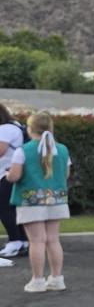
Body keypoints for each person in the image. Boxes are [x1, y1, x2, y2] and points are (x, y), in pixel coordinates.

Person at [7, 113, 70, 292]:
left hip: (30, 201)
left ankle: (38, 280)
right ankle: (57, 278)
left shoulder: (23, 150)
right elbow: (65, 174)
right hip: (57, 199)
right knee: (53, 239)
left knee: (36, 241)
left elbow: (15, 176)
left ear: (30, 128)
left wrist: (8, 174)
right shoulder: (63, 149)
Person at [0, 102, 26, 264]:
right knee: (13, 209)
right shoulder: (15, 127)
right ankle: (22, 240)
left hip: (6, 174)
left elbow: (1, 151)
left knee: (4, 209)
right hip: (13, 173)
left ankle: (15, 240)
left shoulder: (5, 129)